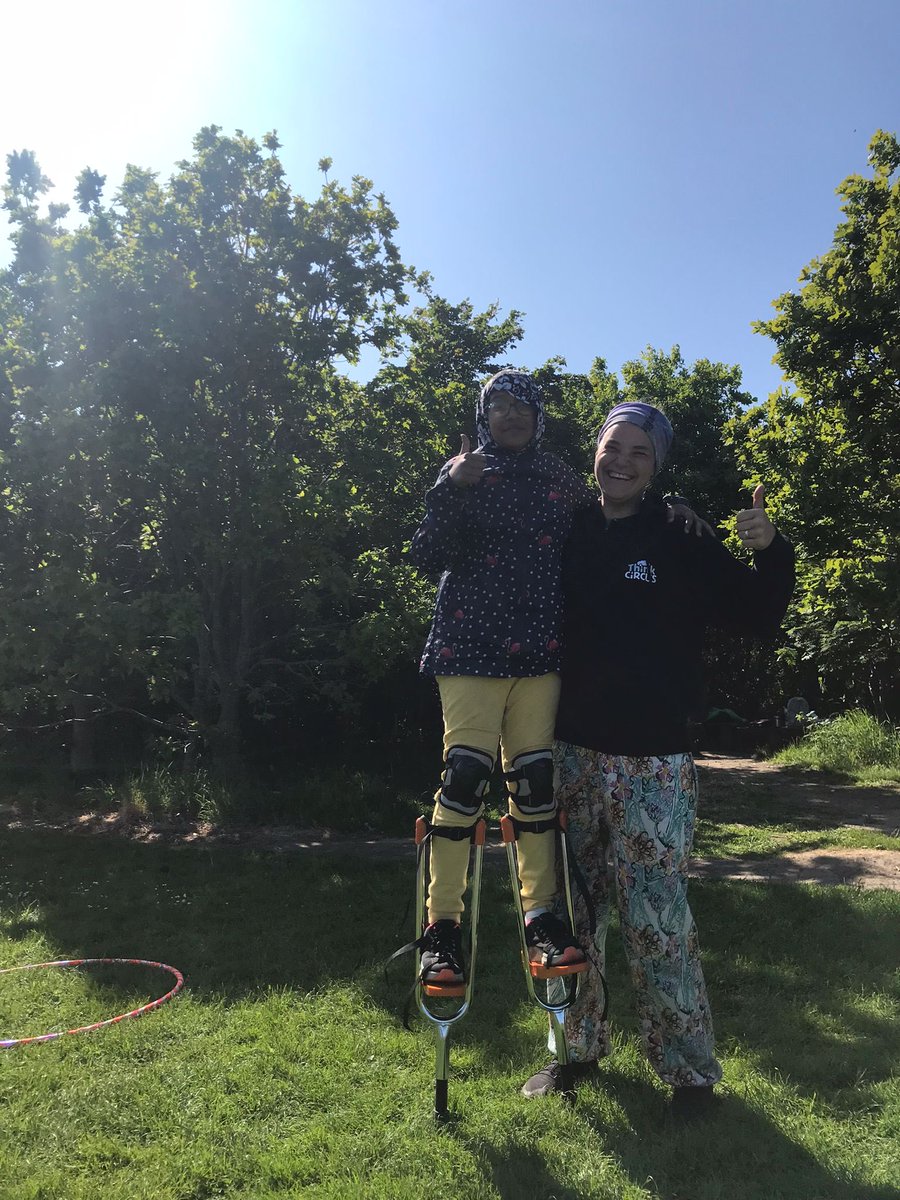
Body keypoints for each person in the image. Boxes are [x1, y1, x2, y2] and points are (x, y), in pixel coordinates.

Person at [521, 401, 795, 1120]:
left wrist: (770, 549)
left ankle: (689, 1075)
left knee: (657, 917)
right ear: (596, 451)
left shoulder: (678, 530)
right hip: (572, 751)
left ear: (657, 465)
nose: (623, 461)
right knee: (573, 918)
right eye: (614, 446)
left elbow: (756, 613)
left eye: (640, 452)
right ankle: (572, 1052)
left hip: (654, 761)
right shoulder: (571, 526)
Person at [407, 369, 590, 987]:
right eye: (499, 405)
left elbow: (606, 537)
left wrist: (672, 514)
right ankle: (442, 928)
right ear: (485, 414)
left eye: (522, 406)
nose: (510, 415)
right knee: (464, 779)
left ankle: (541, 920)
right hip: (469, 647)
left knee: (536, 784)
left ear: (539, 416)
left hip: (540, 653)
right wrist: (452, 490)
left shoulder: (564, 480)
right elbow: (426, 555)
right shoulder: (464, 471)